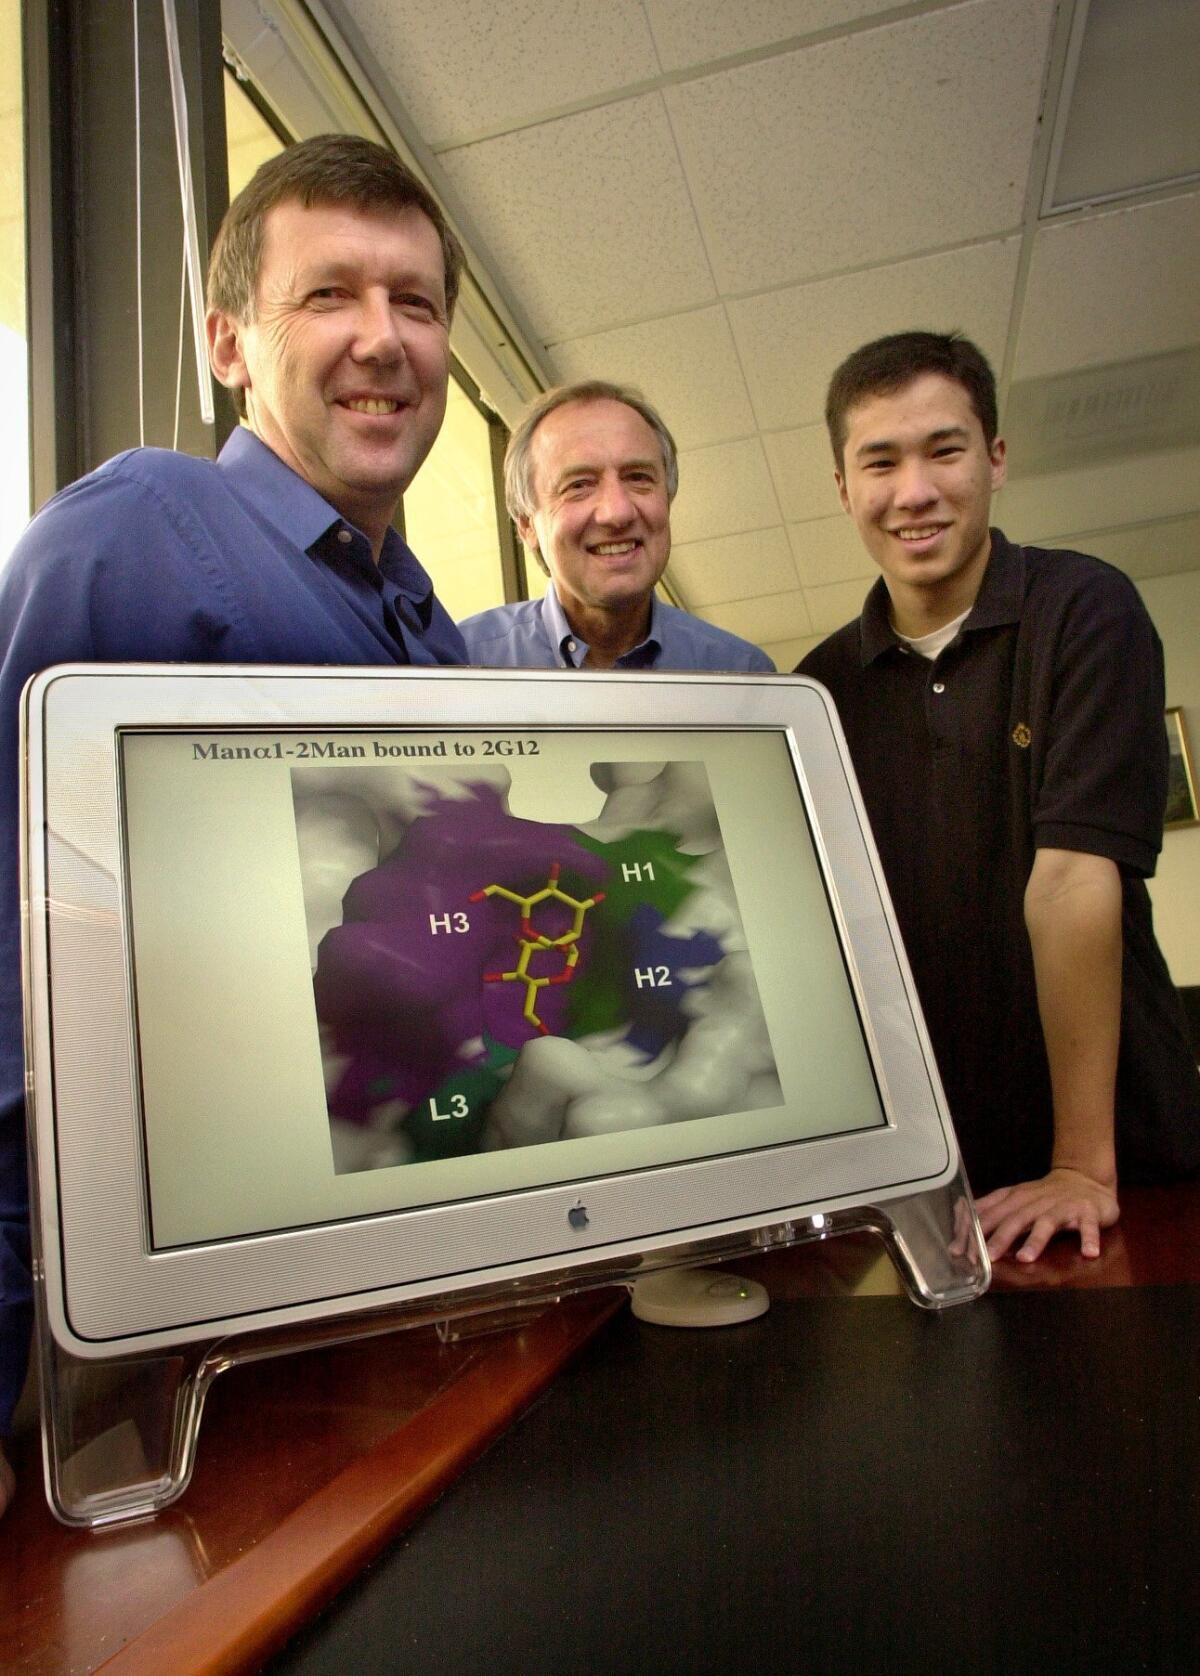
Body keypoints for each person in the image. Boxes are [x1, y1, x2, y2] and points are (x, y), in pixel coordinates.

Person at [0, 133, 470, 1516]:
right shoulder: (143, 526)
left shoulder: (430, 629)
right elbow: (22, 933)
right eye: (330, 296)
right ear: (229, 342)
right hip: (106, 1330)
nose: (383, 339)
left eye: (418, 302)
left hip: (342, 1282)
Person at [798, 330, 1200, 1267]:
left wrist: (1081, 1166)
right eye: (880, 461)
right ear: (843, 487)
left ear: (996, 459)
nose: (915, 491)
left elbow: (1070, 882)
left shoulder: (1085, 609)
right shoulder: (818, 691)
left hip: (1117, 1163)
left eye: (945, 450)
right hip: (949, 1184)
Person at [458, 381, 775, 672]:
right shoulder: (460, 665)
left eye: (638, 478)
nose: (617, 512)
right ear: (527, 524)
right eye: (579, 485)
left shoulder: (742, 674)